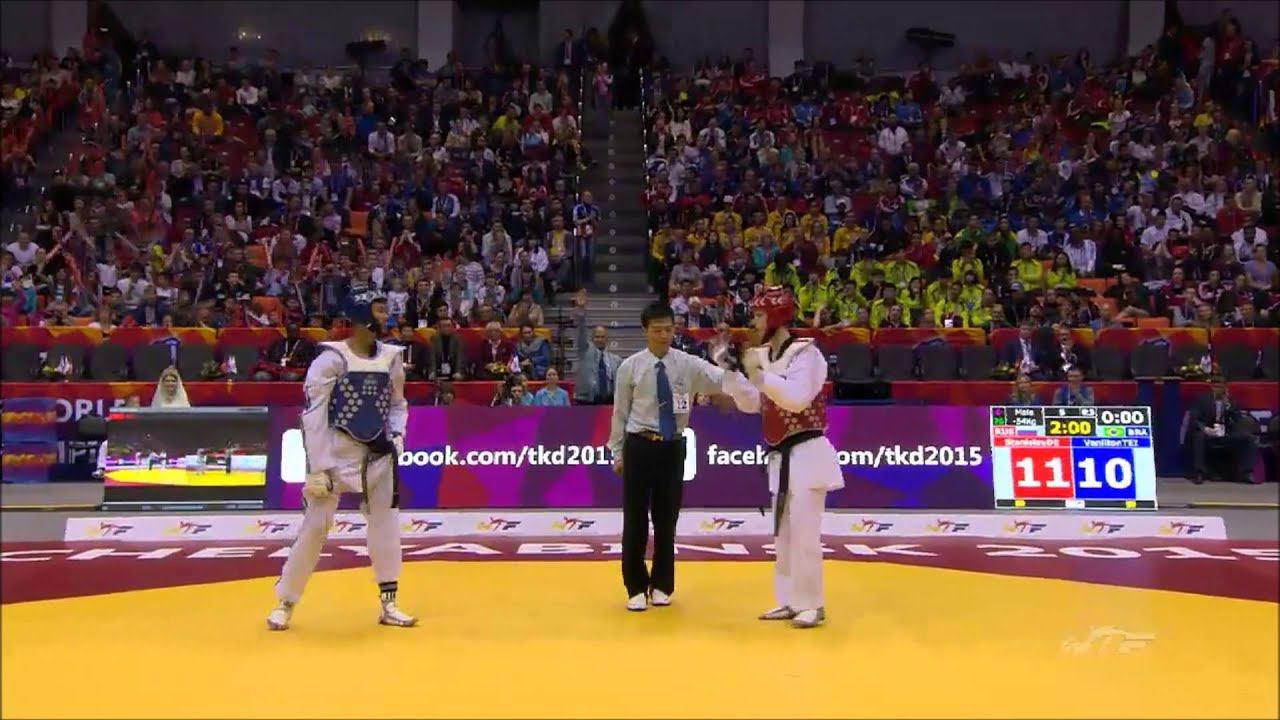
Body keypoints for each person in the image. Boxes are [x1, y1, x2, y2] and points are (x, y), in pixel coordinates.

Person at [266, 292, 415, 631]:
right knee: (315, 527)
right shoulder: (330, 359)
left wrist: (397, 437)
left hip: (378, 455)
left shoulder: (392, 358)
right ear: (362, 317)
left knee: (386, 526)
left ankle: (389, 603)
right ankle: (286, 601)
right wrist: (318, 466)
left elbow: (397, 404)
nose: (387, 315)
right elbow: (314, 415)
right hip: (335, 454)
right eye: (379, 310)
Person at [718, 286, 843, 629]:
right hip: (779, 456)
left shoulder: (807, 354)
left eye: (760, 315)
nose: (754, 322)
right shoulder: (761, 355)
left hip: (808, 451)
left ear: (776, 316)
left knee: (805, 533)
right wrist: (732, 373)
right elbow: (751, 403)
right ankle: (790, 600)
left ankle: (812, 603)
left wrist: (758, 375)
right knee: (783, 535)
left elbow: (797, 398)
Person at [609, 301, 735, 612]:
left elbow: (720, 378)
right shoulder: (630, 367)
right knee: (635, 519)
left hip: (673, 446)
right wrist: (617, 451)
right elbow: (620, 413)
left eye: (669, 329)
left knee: (667, 520)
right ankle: (635, 587)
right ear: (645, 331)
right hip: (639, 444)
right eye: (657, 330)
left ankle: (662, 584)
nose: (664, 335)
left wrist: (728, 360)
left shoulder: (687, 364)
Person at [1186, 376, 1258, 484]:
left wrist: (1229, 407)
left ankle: (1246, 473)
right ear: (1211, 387)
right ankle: (1199, 473)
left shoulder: (1231, 401)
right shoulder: (1202, 399)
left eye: (1220, 386)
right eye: (1215, 386)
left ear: (1225, 387)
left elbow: (1238, 420)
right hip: (1208, 433)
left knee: (1249, 439)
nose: (1217, 389)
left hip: (1226, 434)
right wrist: (1205, 429)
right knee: (1198, 436)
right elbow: (1194, 419)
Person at [571, 292, 622, 405]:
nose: (600, 339)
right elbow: (581, 333)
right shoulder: (585, 352)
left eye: (602, 337)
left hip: (609, 402)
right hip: (587, 401)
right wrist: (581, 312)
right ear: (592, 338)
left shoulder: (616, 360)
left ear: (607, 339)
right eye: (597, 337)